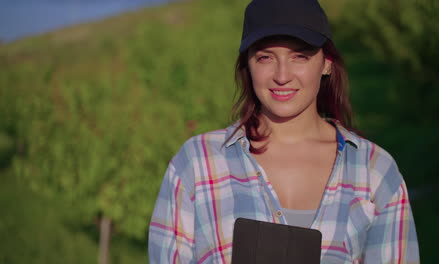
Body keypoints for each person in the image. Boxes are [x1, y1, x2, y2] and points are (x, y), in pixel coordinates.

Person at [148, 0, 420, 263]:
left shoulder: (375, 172)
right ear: (248, 65)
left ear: (326, 63)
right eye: (265, 57)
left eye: (299, 56)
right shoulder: (196, 165)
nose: (282, 75)